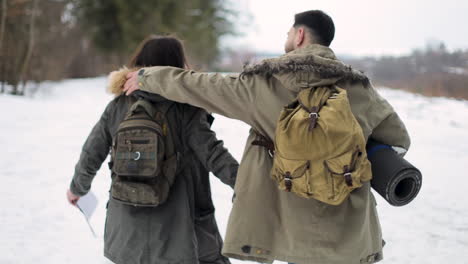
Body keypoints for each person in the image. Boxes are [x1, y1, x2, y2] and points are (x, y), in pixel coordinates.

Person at [123, 11, 411, 264]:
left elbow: (202, 85)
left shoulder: (263, 86)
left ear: (299, 35)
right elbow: (398, 140)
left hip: (293, 232)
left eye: (288, 32)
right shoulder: (360, 89)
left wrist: (150, 77)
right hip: (348, 234)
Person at [66, 35, 239, 264]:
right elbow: (214, 155)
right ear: (178, 66)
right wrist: (247, 185)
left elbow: (92, 152)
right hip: (181, 229)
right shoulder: (186, 109)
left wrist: (77, 188)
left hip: (127, 227)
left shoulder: (119, 105)